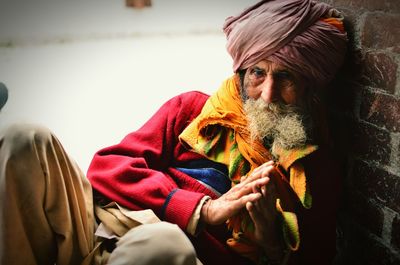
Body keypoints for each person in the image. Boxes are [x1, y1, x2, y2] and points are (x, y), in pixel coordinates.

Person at [0, 0, 348, 265]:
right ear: (241, 74)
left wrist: (271, 244)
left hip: (159, 254)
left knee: (165, 242)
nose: (268, 93)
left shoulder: (317, 169)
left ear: (309, 86)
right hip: (97, 224)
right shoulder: (192, 109)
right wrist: (201, 210)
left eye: (286, 77)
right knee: (25, 138)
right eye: (258, 72)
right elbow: (106, 170)